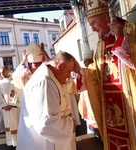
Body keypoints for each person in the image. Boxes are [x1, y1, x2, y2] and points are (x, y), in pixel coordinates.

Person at [81, 0, 136, 149]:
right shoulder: (100, 45)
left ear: (105, 18)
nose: (92, 29)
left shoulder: (130, 30)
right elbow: (96, 75)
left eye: (93, 23)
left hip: (131, 106)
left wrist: (122, 38)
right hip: (110, 107)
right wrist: (83, 73)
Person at [16, 50, 81, 150]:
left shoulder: (49, 78)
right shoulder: (44, 82)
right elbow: (46, 124)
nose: (69, 76)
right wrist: (70, 124)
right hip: (44, 144)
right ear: (60, 66)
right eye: (69, 72)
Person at [0, 66, 20, 149]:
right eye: (1, 72)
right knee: (8, 124)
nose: (2, 74)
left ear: (8, 71)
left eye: (4, 71)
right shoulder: (1, 82)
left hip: (13, 108)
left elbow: (17, 93)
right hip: (6, 109)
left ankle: (17, 141)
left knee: (15, 123)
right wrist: (4, 105)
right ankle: (10, 141)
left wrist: (12, 104)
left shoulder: (14, 81)